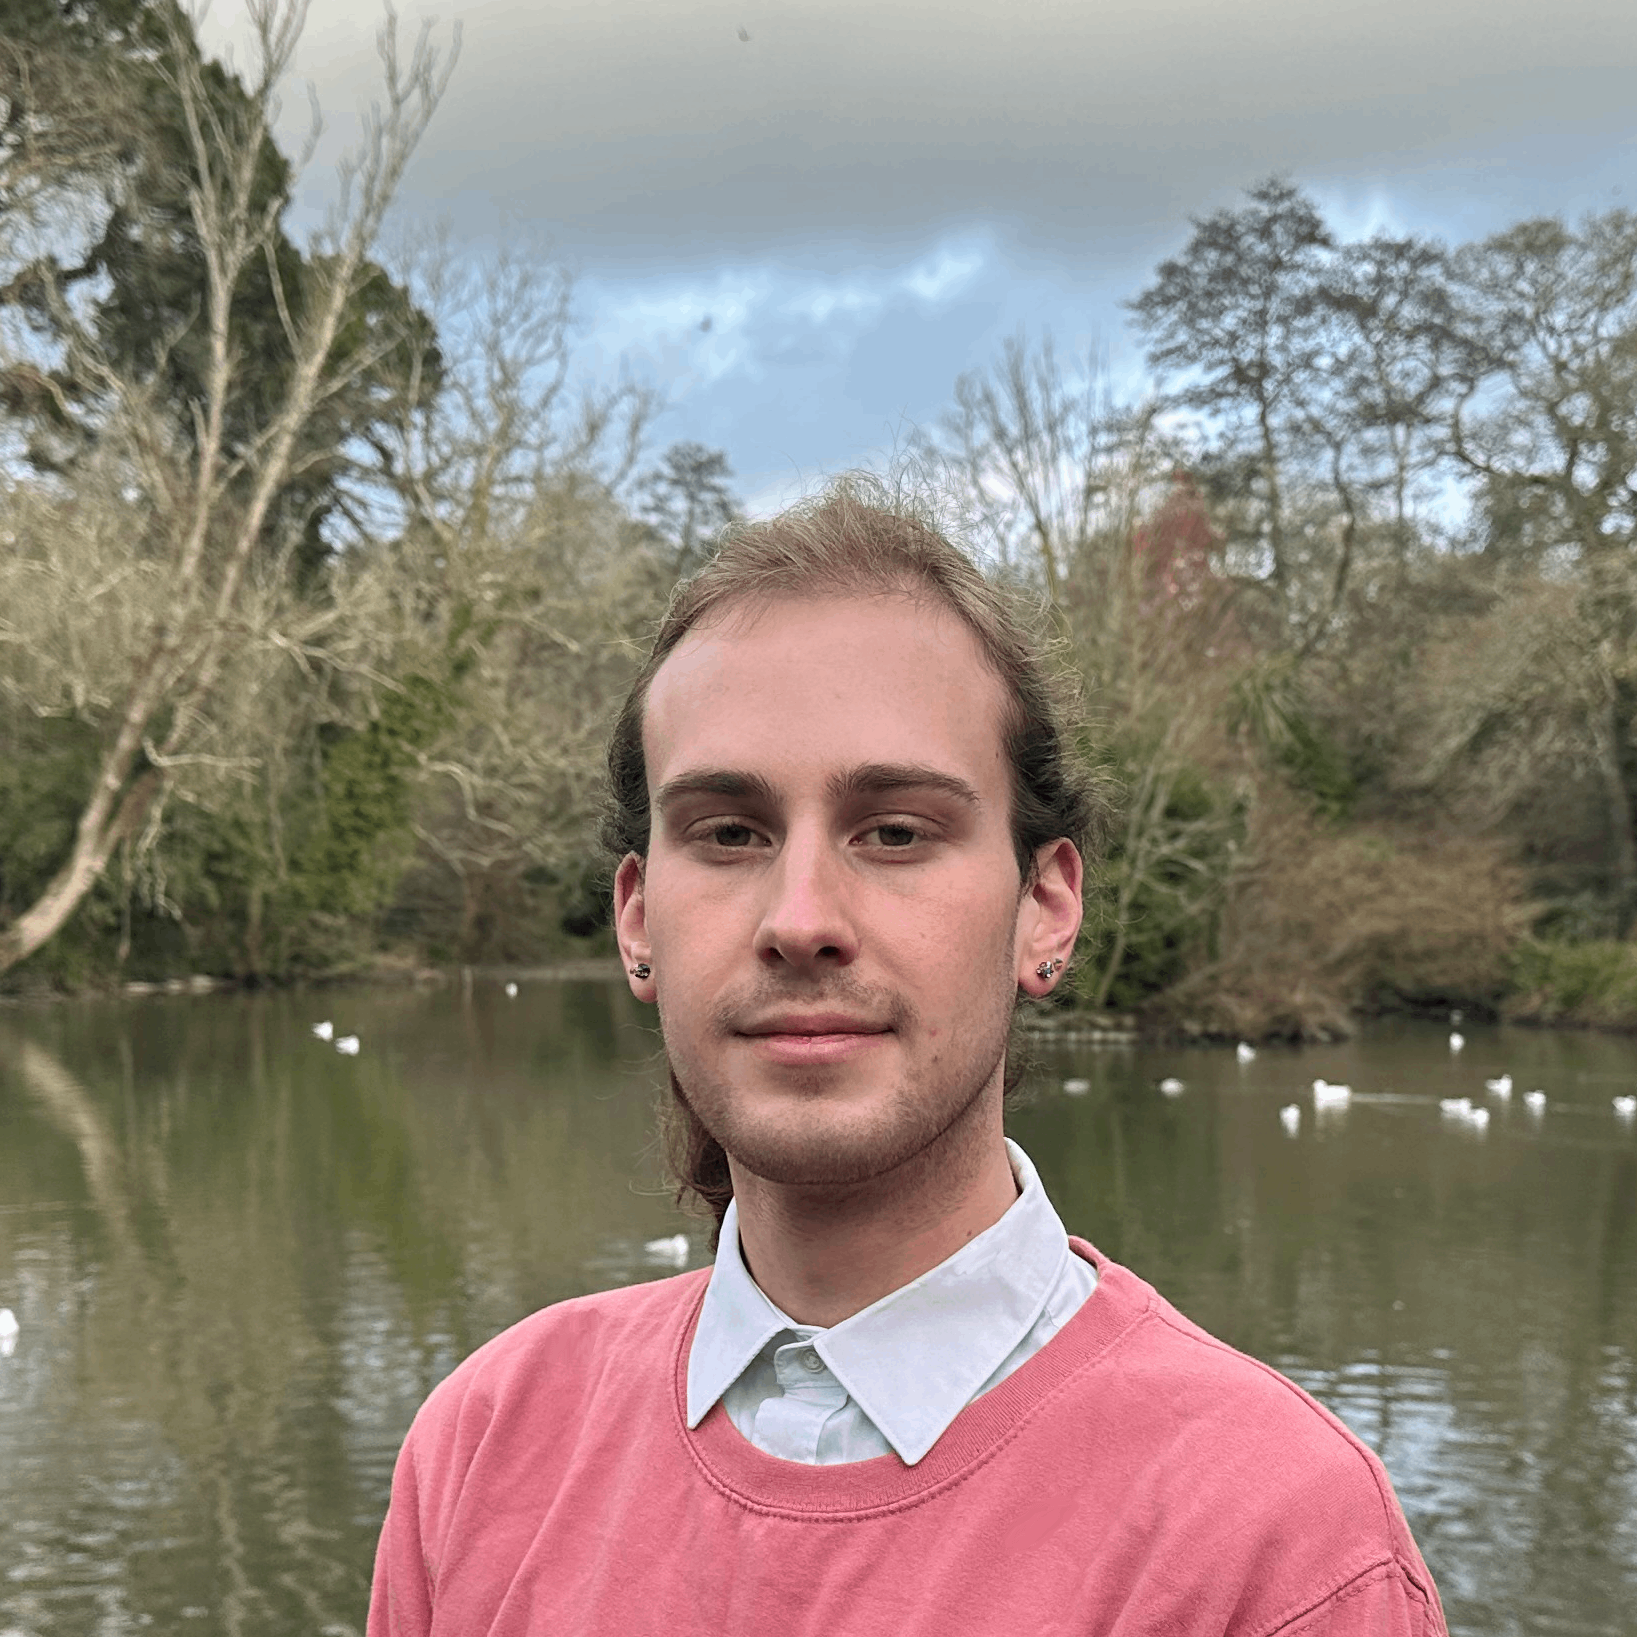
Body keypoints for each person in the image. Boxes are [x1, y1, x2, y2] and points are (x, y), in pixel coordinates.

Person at [367, 485, 1447, 1636]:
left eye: (893, 831)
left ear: (1043, 905)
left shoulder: (1277, 1546)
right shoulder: (482, 1445)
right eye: (728, 832)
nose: (800, 917)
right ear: (636, 919)